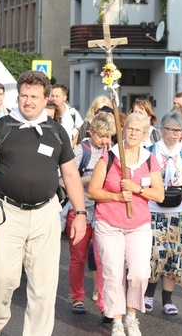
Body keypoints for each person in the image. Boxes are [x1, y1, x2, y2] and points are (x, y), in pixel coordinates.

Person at [0, 71, 87, 336]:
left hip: (46, 214)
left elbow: (70, 175)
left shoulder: (56, 132)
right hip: (6, 213)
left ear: (46, 99)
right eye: (24, 96)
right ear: (18, 97)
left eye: (34, 96)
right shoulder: (1, 128)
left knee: (43, 285)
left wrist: (80, 213)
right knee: (0, 278)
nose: (28, 101)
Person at [88, 112, 164, 336]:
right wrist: (117, 197)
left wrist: (136, 188)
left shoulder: (149, 159)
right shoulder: (109, 157)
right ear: (123, 130)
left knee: (140, 272)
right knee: (113, 272)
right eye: (129, 128)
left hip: (138, 224)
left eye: (138, 130)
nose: (132, 133)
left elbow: (159, 195)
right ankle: (117, 320)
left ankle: (132, 316)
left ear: (145, 134)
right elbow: (93, 191)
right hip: (108, 223)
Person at [144, 111, 182, 316]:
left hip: (180, 210)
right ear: (162, 130)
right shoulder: (150, 152)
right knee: (154, 255)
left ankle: (168, 300)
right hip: (154, 209)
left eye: (179, 130)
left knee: (174, 256)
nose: (176, 134)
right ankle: (148, 295)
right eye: (172, 129)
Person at [66, 111, 116, 316]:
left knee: (105, 258)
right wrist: (93, 179)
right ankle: (77, 297)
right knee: (78, 258)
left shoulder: (113, 152)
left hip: (104, 211)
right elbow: (66, 181)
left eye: (108, 136)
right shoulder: (80, 150)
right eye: (101, 136)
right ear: (91, 132)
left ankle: (105, 305)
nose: (104, 141)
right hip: (81, 211)